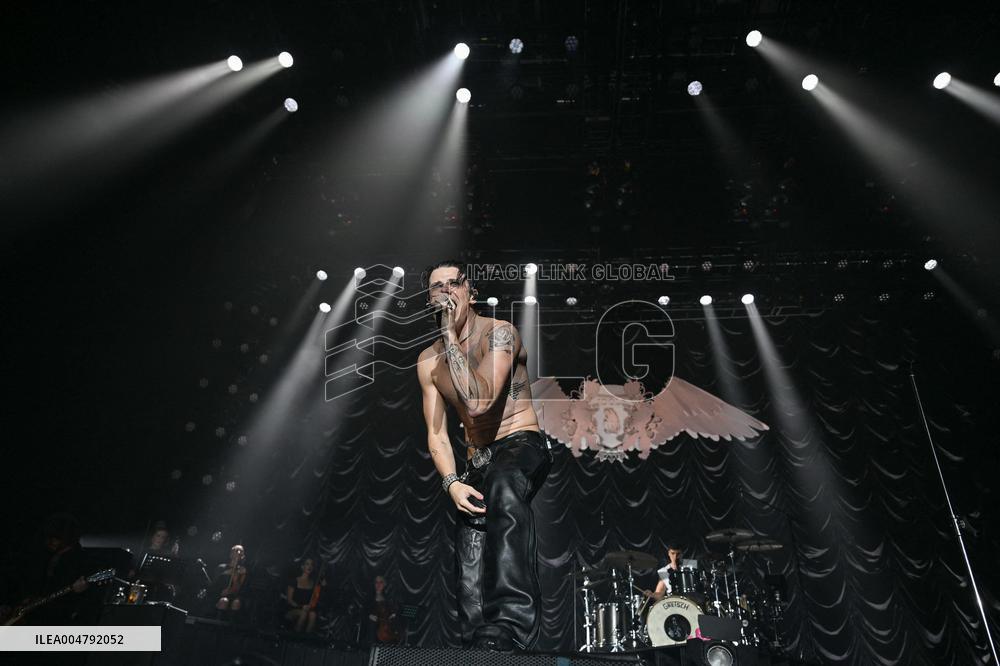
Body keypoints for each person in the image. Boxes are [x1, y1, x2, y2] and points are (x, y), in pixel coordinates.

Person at [416, 260, 552, 652]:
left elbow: (477, 402)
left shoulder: (500, 334)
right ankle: (479, 639)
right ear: (429, 298)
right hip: (478, 461)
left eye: (451, 284)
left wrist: (449, 334)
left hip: (520, 443)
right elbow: (438, 433)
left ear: (470, 292)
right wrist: (451, 483)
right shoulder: (427, 361)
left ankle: (511, 621)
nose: (444, 291)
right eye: (435, 287)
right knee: (470, 539)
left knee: (504, 486)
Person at [285, 558, 320, 633]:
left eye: (311, 565)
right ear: (302, 566)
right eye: (307, 564)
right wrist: (301, 607)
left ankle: (305, 640)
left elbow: (315, 600)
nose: (309, 566)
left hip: (306, 610)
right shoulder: (294, 581)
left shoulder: (313, 583)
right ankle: (295, 639)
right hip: (292, 610)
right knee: (304, 613)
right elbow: (289, 600)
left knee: (313, 615)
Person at [366, 575, 400, 644]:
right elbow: (364, 610)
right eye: (376, 582)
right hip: (372, 621)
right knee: (372, 624)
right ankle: (372, 645)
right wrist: (369, 615)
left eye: (381, 582)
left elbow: (390, 610)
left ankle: (393, 645)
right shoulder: (369, 596)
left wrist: (392, 614)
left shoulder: (386, 597)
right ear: (374, 584)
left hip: (383, 621)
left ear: (384, 584)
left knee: (395, 623)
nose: (378, 584)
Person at [215, 544, 247, 613]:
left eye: (241, 551)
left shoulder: (242, 570)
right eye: (236, 551)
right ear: (231, 554)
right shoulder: (222, 567)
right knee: (224, 601)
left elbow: (239, 587)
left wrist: (240, 575)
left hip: (234, 594)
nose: (238, 553)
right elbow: (214, 582)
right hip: (219, 593)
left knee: (236, 602)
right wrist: (228, 572)